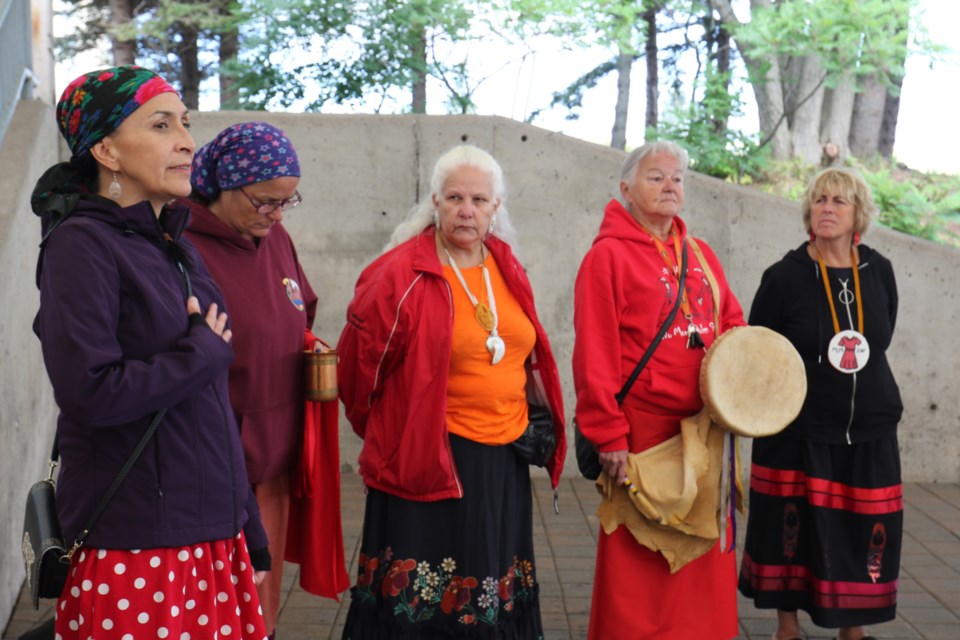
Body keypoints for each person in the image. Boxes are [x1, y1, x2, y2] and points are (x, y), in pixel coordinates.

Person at [30, 66, 269, 638]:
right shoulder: (79, 247)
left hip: (212, 538)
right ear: (106, 149)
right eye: (162, 125)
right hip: (139, 547)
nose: (187, 140)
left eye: (185, 123)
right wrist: (200, 356)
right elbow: (89, 393)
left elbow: (208, 407)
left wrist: (249, 529)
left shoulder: (176, 245)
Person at [337, 144, 566, 638]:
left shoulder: (504, 264)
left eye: (480, 200)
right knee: (426, 601)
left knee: (489, 585)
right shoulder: (399, 274)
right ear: (435, 202)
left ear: (496, 208)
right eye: (455, 198)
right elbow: (359, 373)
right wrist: (395, 436)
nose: (467, 210)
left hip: (502, 457)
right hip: (430, 455)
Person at [181, 121, 348, 636]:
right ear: (222, 185)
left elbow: (301, 307)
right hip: (211, 463)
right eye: (265, 202)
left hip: (275, 457)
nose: (276, 215)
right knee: (213, 605)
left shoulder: (275, 239)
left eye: (287, 202)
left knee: (261, 602)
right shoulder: (182, 244)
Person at [573, 140, 745, 639]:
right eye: (656, 177)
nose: (670, 185)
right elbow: (594, 355)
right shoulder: (606, 259)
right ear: (626, 188)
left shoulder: (702, 254)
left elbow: (732, 325)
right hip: (642, 436)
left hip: (704, 434)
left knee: (701, 567)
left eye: (677, 178)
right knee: (639, 564)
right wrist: (608, 434)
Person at [738, 168, 903, 640]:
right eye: (820, 200)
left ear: (858, 217)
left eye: (839, 202)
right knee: (791, 533)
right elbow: (760, 351)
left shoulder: (879, 270)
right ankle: (786, 627)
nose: (827, 208)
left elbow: (881, 336)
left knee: (862, 529)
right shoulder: (784, 276)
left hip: (869, 430)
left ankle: (853, 628)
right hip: (798, 432)